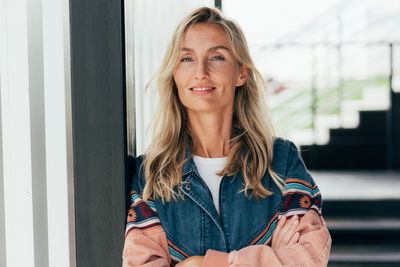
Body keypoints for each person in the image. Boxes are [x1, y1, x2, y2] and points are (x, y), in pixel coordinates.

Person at [122, 6, 331, 267]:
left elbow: (308, 258)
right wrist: (271, 258)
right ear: (174, 75)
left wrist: (197, 264)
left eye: (217, 57)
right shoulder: (151, 175)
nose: (201, 71)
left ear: (241, 73)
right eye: (186, 59)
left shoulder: (281, 162)